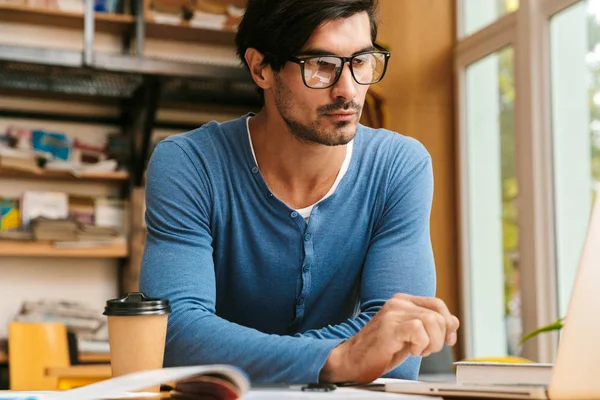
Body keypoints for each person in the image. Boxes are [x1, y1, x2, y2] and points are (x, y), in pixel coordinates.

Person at [139, 0, 460, 385]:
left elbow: (400, 351)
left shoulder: (398, 166)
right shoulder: (189, 163)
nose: (348, 90)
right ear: (261, 68)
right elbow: (175, 336)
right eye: (321, 66)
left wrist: (246, 353)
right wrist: (339, 358)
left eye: (361, 62)